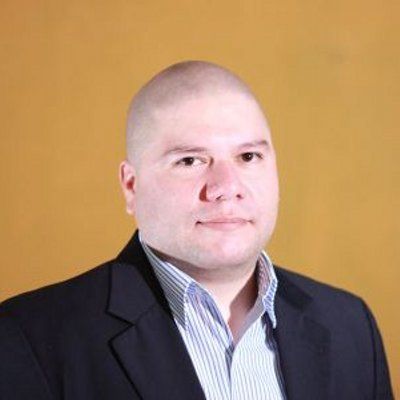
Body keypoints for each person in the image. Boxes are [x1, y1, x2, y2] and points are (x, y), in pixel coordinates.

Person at [0, 61, 393, 400]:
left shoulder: (350, 326)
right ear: (131, 186)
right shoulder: (29, 338)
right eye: (190, 161)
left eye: (248, 156)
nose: (226, 187)